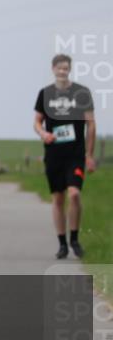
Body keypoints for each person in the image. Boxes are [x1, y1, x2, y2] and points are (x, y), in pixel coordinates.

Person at [33, 54, 97, 259]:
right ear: (53, 69)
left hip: (75, 154)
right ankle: (62, 243)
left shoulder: (81, 93)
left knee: (75, 194)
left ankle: (75, 239)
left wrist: (89, 154)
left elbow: (91, 124)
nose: (62, 71)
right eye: (59, 68)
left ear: (70, 70)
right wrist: (43, 133)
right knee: (58, 198)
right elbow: (37, 122)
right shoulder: (45, 94)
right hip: (54, 155)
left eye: (66, 68)